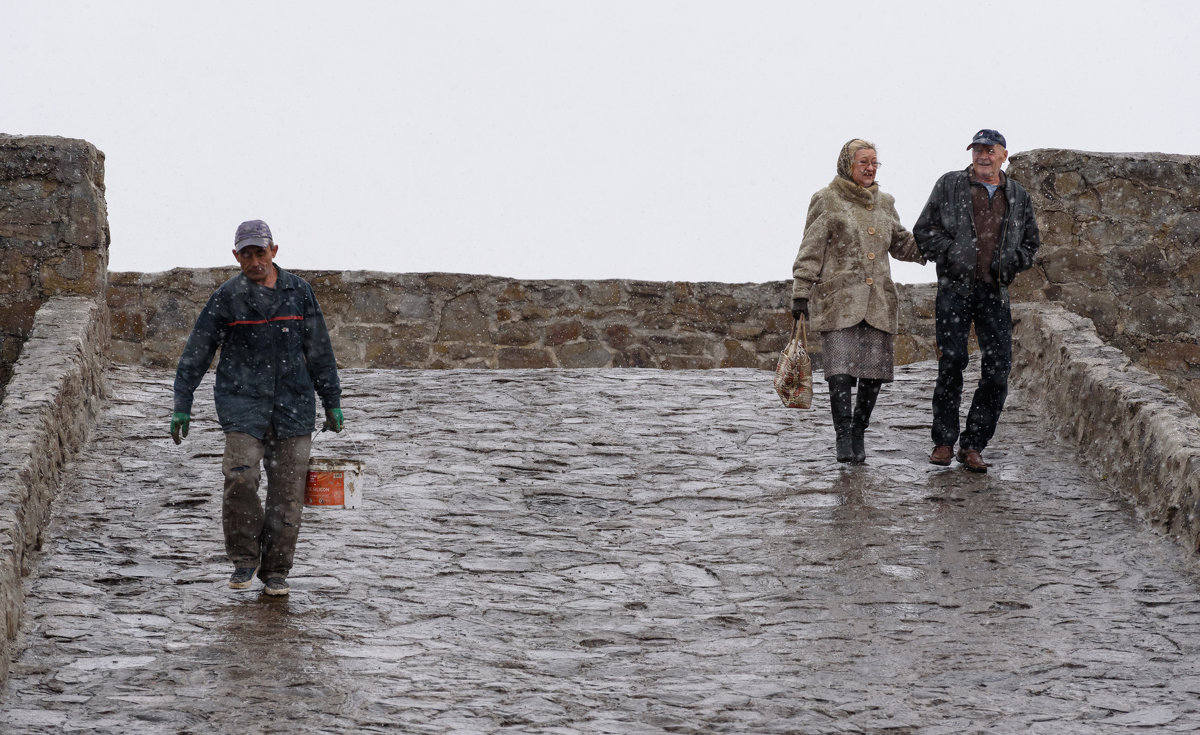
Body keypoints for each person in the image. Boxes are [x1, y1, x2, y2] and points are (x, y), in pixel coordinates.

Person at [170, 219, 344, 595]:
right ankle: (245, 559)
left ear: (274, 251)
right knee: (240, 477)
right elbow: (198, 351)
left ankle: (277, 570)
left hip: (294, 408)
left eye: (260, 252)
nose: (254, 260)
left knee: (287, 493)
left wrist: (332, 401)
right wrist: (181, 403)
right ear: (236, 256)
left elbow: (319, 350)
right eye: (246, 254)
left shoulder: (299, 292)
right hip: (242, 405)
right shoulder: (227, 297)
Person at [913, 129, 1040, 473]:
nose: (983, 156)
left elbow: (1031, 242)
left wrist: (1013, 261)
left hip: (994, 292)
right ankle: (943, 441)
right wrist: (952, 253)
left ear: (1004, 154)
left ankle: (973, 445)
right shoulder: (950, 185)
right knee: (952, 363)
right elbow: (924, 231)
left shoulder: (1017, 195)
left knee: (998, 371)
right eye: (978, 150)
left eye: (990, 150)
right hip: (955, 289)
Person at [791, 139, 924, 464]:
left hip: (878, 301)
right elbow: (811, 248)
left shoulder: (886, 203)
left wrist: (933, 243)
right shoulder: (826, 200)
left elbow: (902, 245)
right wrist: (800, 292)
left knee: (873, 374)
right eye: (863, 161)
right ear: (847, 165)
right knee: (839, 374)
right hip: (840, 301)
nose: (870, 168)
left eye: (875, 162)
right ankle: (843, 435)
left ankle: (859, 432)